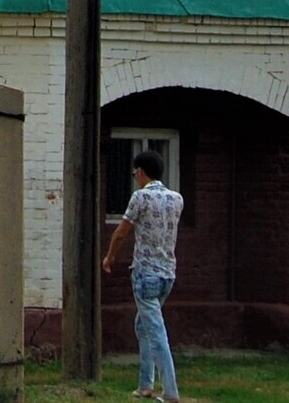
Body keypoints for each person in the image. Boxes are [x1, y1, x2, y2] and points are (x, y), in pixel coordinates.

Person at [102, 146, 184, 403]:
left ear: (140, 172)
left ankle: (170, 391)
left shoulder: (140, 198)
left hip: (145, 273)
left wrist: (109, 257)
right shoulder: (177, 199)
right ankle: (145, 384)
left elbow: (122, 231)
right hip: (167, 274)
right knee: (144, 325)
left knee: (156, 330)